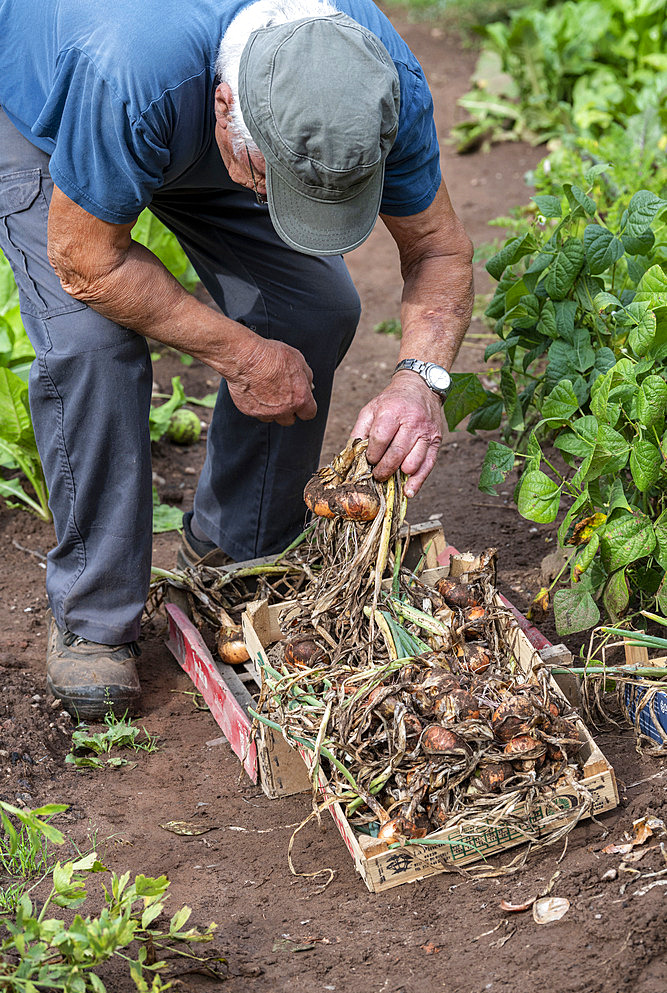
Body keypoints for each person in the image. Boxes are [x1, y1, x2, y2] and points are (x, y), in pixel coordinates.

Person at [0, 0, 473, 719]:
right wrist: (239, 352)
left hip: (202, 127)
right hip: (56, 123)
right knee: (93, 347)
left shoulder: (375, 83)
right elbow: (86, 262)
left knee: (314, 307)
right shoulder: (128, 69)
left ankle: (239, 549)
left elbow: (438, 249)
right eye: (273, 180)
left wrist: (420, 379)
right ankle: (95, 620)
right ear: (226, 105)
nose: (276, 203)